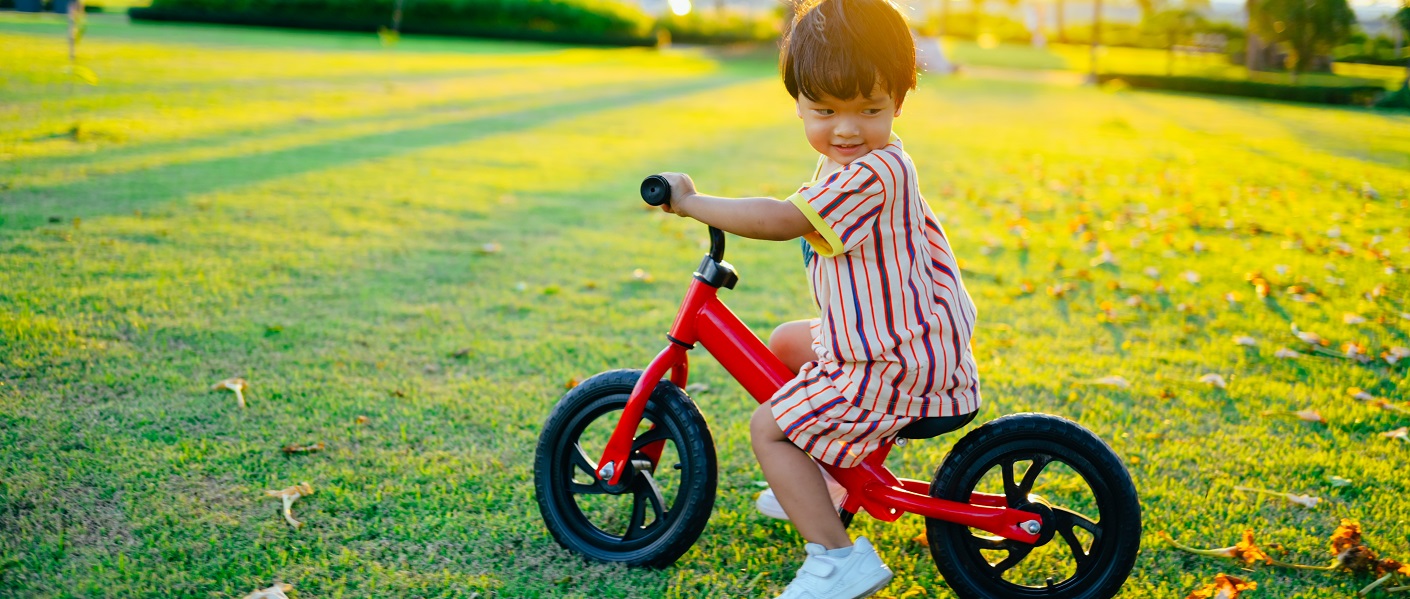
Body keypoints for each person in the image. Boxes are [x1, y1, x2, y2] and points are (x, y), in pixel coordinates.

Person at [653, 0, 979, 595]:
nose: (846, 128)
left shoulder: (874, 172)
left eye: (870, 109)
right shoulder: (845, 162)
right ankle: (830, 483)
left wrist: (692, 202)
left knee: (769, 429)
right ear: (798, 103)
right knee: (784, 342)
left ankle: (837, 559)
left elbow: (783, 219)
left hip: (894, 361)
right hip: (892, 339)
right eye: (824, 110)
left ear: (899, 103)